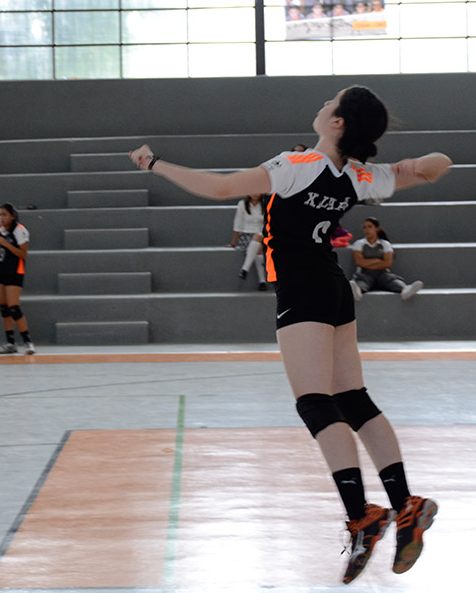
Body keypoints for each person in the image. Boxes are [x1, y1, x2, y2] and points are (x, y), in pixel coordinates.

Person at [128, 85, 452, 583]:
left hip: (302, 288)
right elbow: (439, 164)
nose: (323, 104)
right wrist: (399, 167)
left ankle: (363, 515)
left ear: (338, 123)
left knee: (315, 402)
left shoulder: (296, 165)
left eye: (332, 102)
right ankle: (404, 504)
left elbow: (218, 188)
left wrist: (155, 165)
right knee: (354, 398)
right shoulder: (357, 177)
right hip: (334, 286)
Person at [0, 203, 35, 355]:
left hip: (15, 271)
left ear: (12, 216)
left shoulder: (20, 230)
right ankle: (10, 342)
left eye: (4, 214)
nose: (1, 218)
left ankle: (28, 342)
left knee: (14, 306)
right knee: (4, 308)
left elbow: (23, 254)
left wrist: (6, 244)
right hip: (0, 271)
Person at [347, 218, 424, 302]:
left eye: (370, 227)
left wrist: (368, 262)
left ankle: (405, 289)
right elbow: (359, 262)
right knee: (362, 281)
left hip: (382, 273)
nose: (366, 230)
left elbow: (387, 263)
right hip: (365, 273)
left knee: (391, 280)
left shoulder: (385, 244)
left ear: (377, 228)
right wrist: (377, 260)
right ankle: (357, 291)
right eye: (364, 227)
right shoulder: (359, 243)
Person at [227, 193, 267, 291]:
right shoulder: (242, 204)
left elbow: (268, 224)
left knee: (259, 237)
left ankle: (245, 269)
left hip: (262, 236)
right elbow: (238, 224)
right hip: (246, 236)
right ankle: (262, 281)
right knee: (258, 252)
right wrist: (233, 243)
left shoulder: (265, 204)